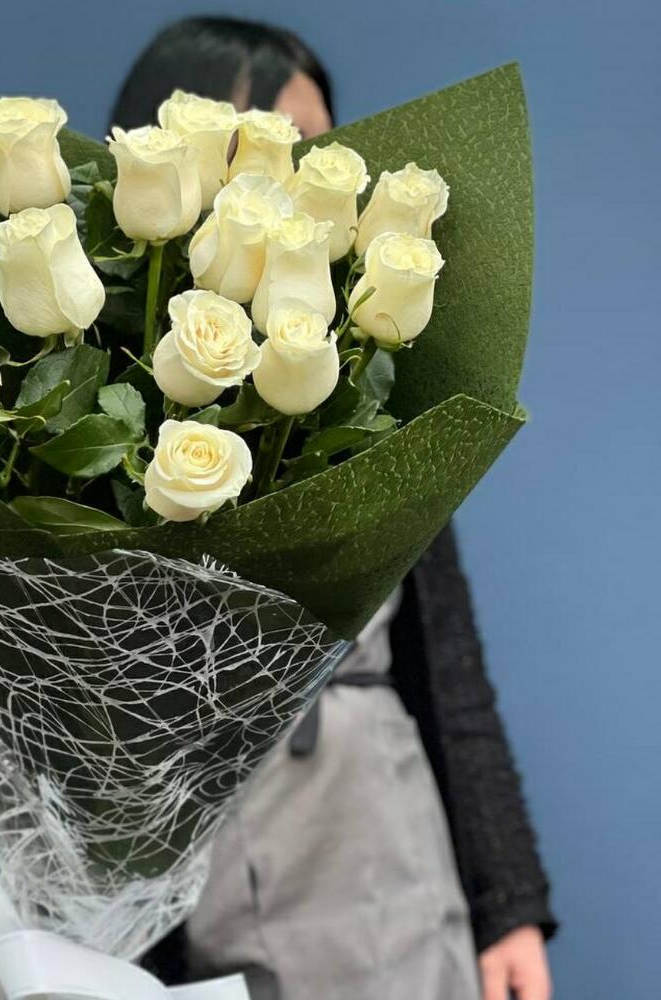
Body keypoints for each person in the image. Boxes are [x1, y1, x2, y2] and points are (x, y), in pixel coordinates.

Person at [111, 16, 557, 1000]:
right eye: (250, 149)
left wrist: (508, 904)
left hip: (394, 842)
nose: (287, 181)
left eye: (312, 150)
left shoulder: (372, 390)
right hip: (230, 857)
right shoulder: (106, 409)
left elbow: (446, 668)